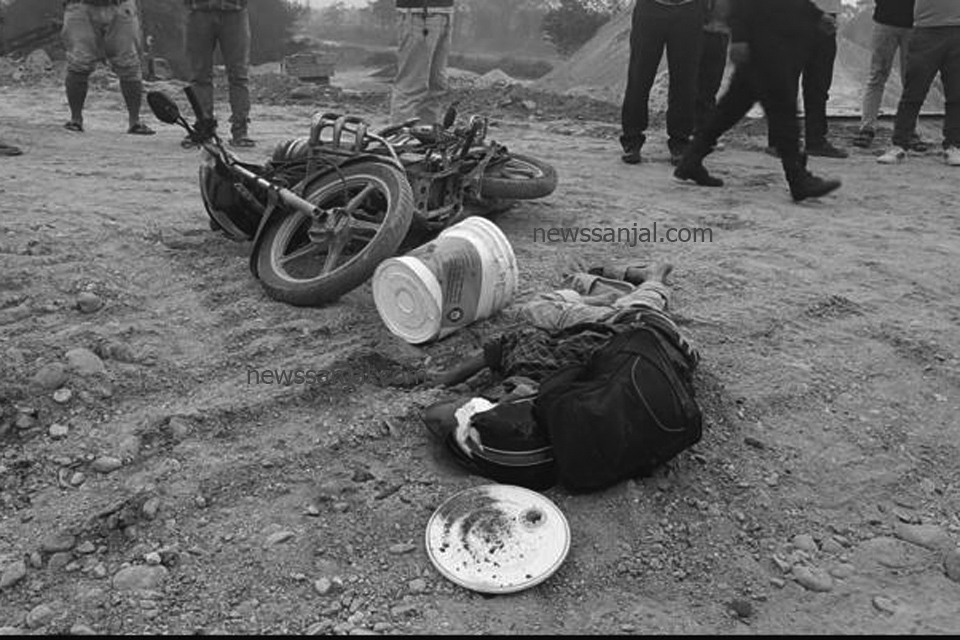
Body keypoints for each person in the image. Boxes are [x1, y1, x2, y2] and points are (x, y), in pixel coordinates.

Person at [673, 0, 842, 203]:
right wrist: (739, 37)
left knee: (729, 110)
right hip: (765, 44)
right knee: (784, 113)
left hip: (774, 43)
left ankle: (691, 160)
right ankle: (798, 179)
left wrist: (816, 15)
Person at [430, 262, 698, 387]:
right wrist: (448, 379)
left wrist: (446, 380)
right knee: (640, 305)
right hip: (645, 331)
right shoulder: (546, 370)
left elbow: (504, 345)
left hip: (671, 350)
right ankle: (652, 277)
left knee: (535, 310)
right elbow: (501, 347)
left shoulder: (535, 365)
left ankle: (617, 290)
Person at [620, 0, 707, 166]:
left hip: (689, 10)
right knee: (639, 76)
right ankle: (632, 141)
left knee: (685, 80)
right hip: (650, 8)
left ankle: (680, 143)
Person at [877, 0, 960, 166]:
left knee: (956, 93)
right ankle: (899, 145)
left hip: (957, 29)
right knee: (913, 91)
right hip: (925, 30)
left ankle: (954, 145)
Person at [60, 0, 154, 135]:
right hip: (80, 5)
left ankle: (135, 121)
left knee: (129, 62)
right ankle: (75, 119)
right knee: (79, 62)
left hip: (120, 5)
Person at [183, 0, 254, 148]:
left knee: (239, 75)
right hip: (199, 10)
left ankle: (240, 130)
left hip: (235, 10)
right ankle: (204, 127)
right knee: (199, 75)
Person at [852, 0, 919, 149]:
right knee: (878, 75)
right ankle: (867, 127)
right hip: (886, 21)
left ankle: (909, 129)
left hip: (911, 23)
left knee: (911, 80)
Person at [390, 0, 454, 126]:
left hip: (445, 11)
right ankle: (400, 134)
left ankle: (426, 132)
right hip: (419, 14)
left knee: (436, 85)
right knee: (411, 85)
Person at [694, 0, 731, 144]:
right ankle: (684, 130)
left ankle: (703, 131)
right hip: (695, 30)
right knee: (690, 81)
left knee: (711, 84)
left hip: (721, 31)